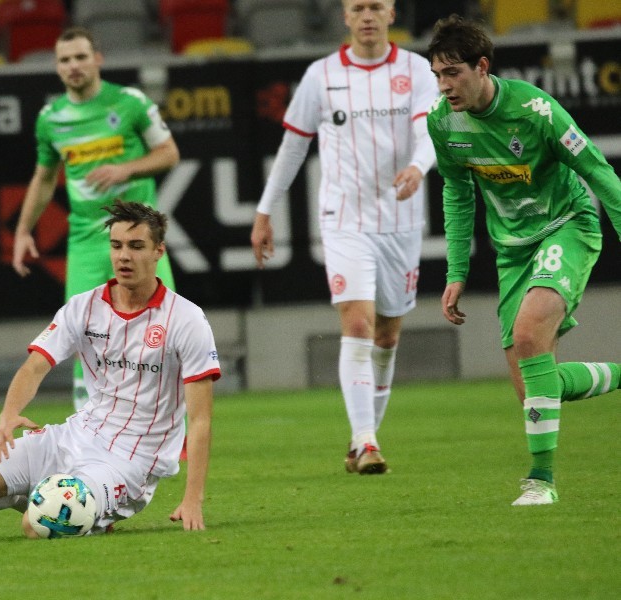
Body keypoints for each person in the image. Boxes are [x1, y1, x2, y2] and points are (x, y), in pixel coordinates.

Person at [426, 15, 621, 505]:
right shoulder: (442, 122)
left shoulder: (536, 111)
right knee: (538, 388)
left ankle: (541, 482)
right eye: (438, 75)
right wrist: (456, 271)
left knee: (531, 334)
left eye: (453, 73)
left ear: (482, 67)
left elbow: (598, 171)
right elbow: (455, 190)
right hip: (512, 251)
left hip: (567, 226)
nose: (445, 86)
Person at [0, 200, 219, 536]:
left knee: (34, 528)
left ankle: (77, 509)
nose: (123, 256)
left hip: (128, 462)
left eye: (136, 247)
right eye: (116, 246)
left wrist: (193, 499)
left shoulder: (186, 319)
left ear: (158, 251)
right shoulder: (84, 307)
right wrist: (9, 413)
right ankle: (70, 505)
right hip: (75, 436)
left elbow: (201, 418)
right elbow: (35, 366)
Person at [250, 0, 439, 474]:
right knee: (358, 325)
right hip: (344, 219)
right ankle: (367, 439)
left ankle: (361, 442)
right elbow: (293, 146)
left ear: (392, 13)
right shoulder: (321, 75)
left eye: (376, 6)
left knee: (388, 334)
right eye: (359, 7)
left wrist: (419, 166)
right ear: (345, 16)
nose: (368, 15)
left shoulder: (417, 70)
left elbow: (429, 132)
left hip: (400, 219)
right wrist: (264, 209)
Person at [12, 26, 180, 411]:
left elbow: (169, 154)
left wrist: (127, 170)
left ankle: (171, 427)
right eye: (65, 59)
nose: (73, 66)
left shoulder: (130, 102)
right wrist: (23, 230)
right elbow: (43, 178)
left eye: (80, 57)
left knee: (163, 329)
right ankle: (90, 427)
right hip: (87, 241)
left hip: (139, 238)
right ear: (57, 67)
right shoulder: (50, 119)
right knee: (81, 337)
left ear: (98, 59)